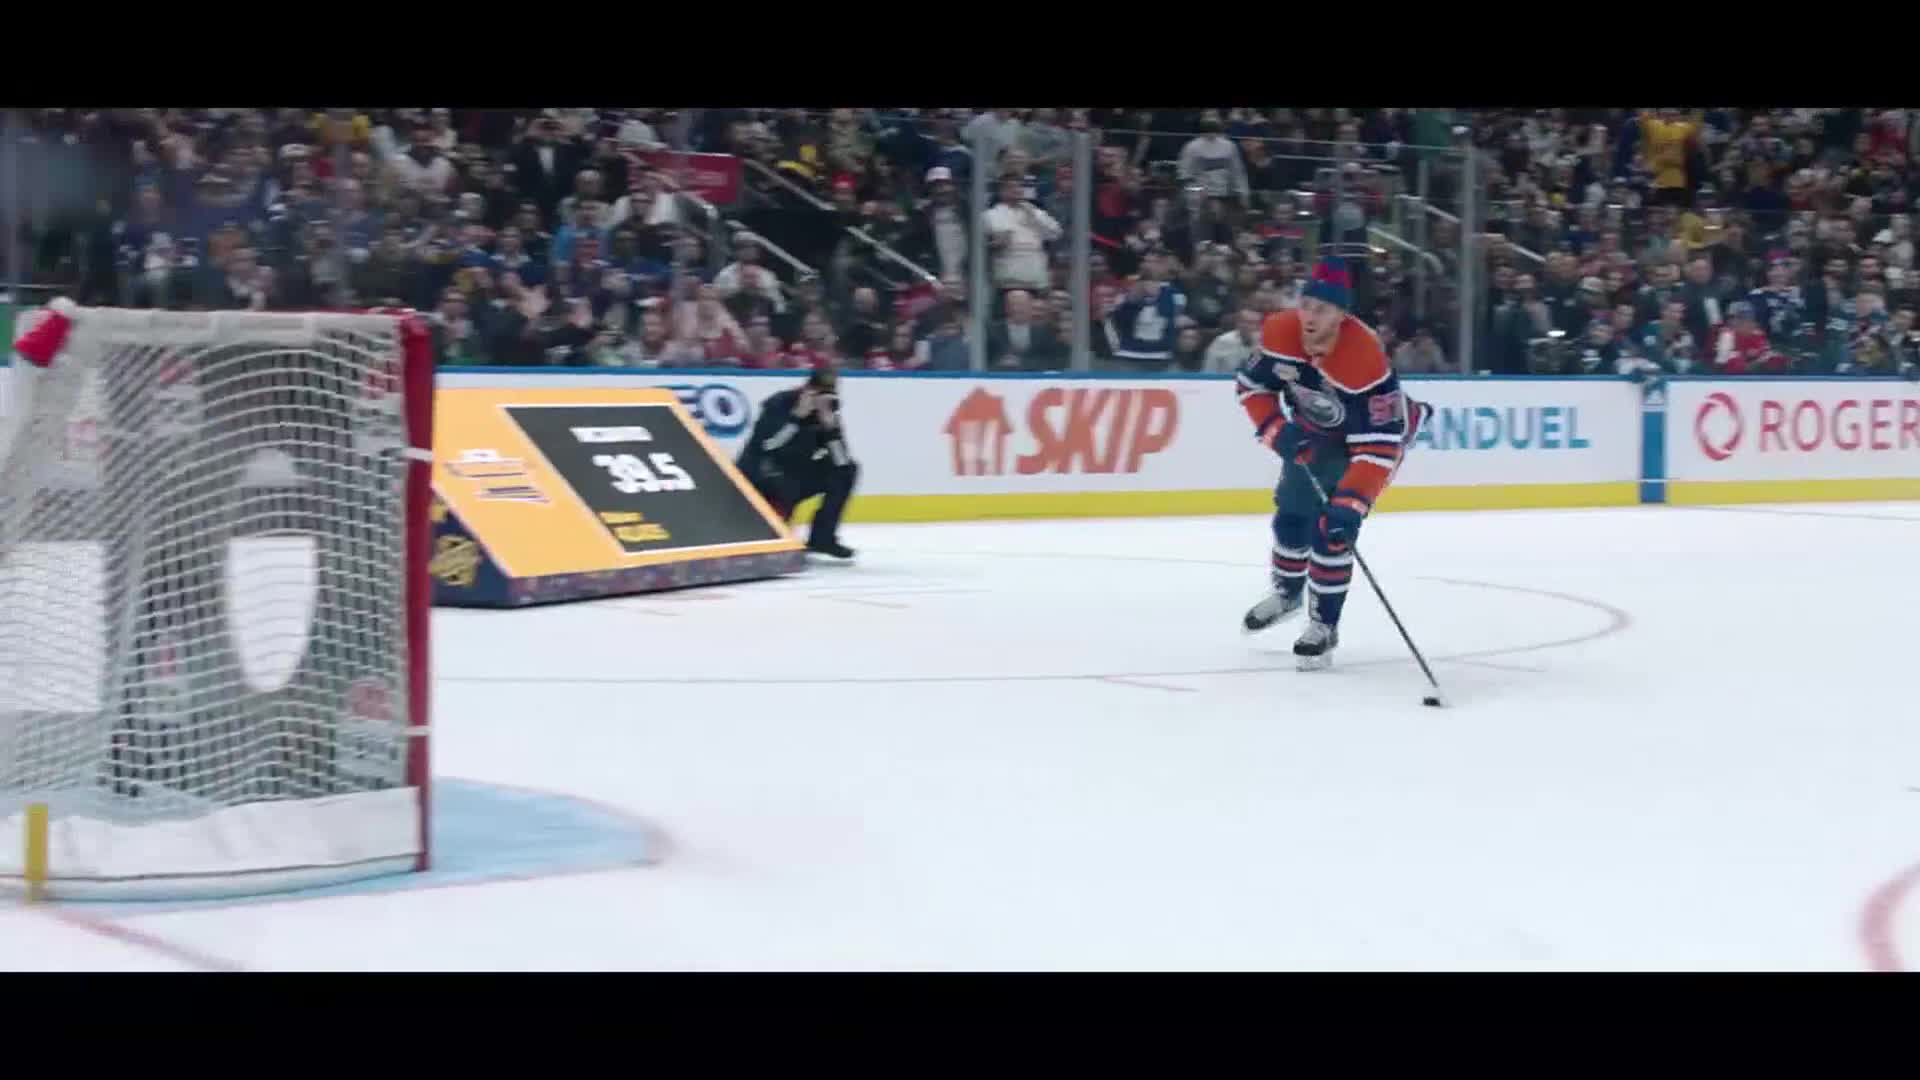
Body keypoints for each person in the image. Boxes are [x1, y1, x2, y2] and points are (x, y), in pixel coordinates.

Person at [1234, 256, 1430, 670]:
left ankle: (1324, 626)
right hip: (1317, 432)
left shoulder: (1364, 362)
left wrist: (1351, 504)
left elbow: (1378, 448)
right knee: (1291, 516)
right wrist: (1275, 428)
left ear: (1342, 314)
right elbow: (1251, 387)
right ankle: (1287, 594)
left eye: (1321, 309)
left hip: (1375, 441)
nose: (1309, 316)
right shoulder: (1279, 333)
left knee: (1332, 531)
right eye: (1306, 304)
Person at [735, 365, 859, 561]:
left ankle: (822, 538)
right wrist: (796, 418)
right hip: (762, 476)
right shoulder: (780, 403)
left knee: (847, 471)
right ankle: (775, 528)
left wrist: (831, 430)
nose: (822, 400)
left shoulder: (827, 414)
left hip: (794, 475)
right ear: (807, 389)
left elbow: (841, 462)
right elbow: (768, 446)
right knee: (783, 484)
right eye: (818, 393)